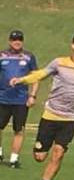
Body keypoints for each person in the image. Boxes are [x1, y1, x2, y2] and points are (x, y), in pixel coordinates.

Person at [10, 30, 74, 180]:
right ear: (73, 45)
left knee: (58, 152)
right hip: (50, 115)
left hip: (71, 119)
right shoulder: (59, 63)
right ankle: (39, 149)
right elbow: (40, 74)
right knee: (39, 157)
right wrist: (21, 80)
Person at [0, 29, 38, 168]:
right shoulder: (2, 56)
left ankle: (14, 159)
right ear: (10, 41)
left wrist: (32, 95)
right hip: (2, 98)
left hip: (21, 100)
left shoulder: (28, 57)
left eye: (19, 39)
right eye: (14, 39)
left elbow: (35, 78)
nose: (17, 42)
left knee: (18, 130)